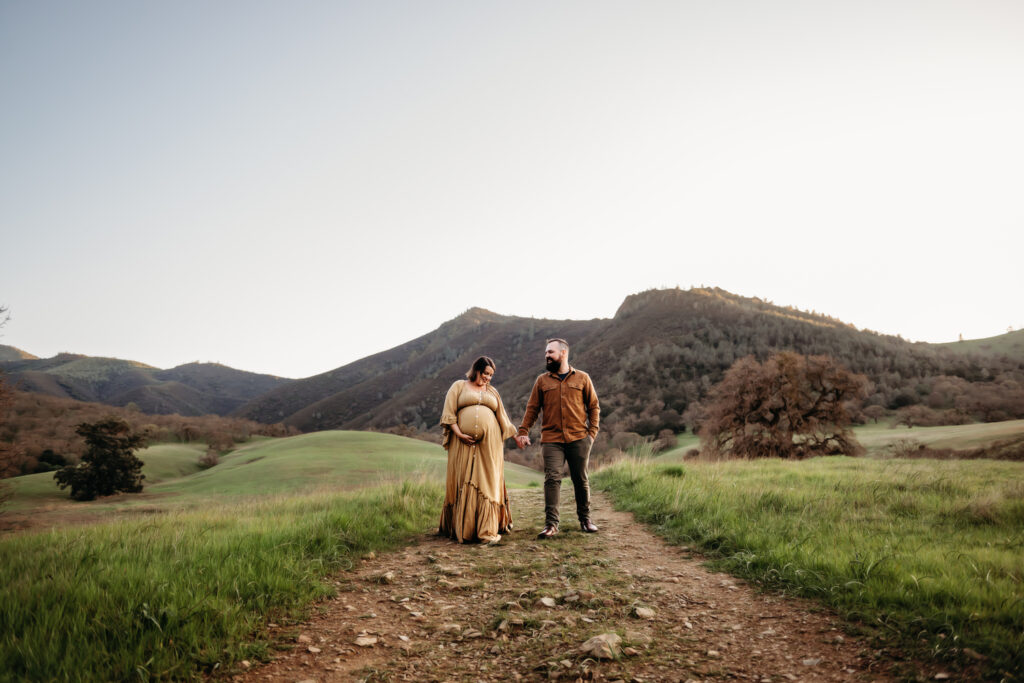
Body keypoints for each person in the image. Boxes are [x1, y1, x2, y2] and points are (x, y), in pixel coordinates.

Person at [515, 338, 601, 538]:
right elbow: (532, 409)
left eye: (550, 352)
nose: (546, 355)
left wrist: (592, 434)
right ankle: (551, 525)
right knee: (552, 479)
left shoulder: (583, 378)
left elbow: (594, 406)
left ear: (563, 353)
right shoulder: (542, 381)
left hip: (579, 438)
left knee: (580, 480)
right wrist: (523, 431)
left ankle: (585, 520)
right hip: (552, 439)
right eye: (546, 352)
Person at [438, 356, 518, 545]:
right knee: (464, 478)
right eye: (485, 374)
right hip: (462, 442)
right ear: (476, 371)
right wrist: (459, 434)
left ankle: (487, 528)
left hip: (490, 444)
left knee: (487, 480)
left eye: (491, 375)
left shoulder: (493, 392)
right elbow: (449, 414)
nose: (488, 378)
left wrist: (517, 436)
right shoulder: (459, 386)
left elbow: (503, 418)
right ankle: (463, 528)